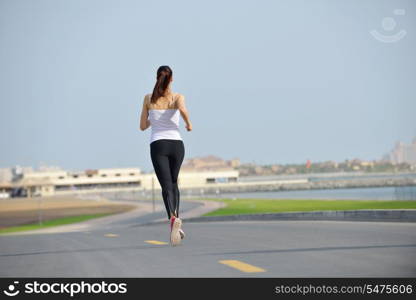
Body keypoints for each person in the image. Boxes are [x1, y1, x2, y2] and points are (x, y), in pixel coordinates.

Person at [139, 65, 192, 246]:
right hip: (177, 145)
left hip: (158, 145)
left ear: (156, 78)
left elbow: (142, 126)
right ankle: (176, 219)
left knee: (166, 186)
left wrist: (154, 118)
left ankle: (172, 218)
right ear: (172, 79)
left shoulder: (148, 98)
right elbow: (183, 110)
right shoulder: (177, 97)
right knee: (174, 182)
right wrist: (188, 124)